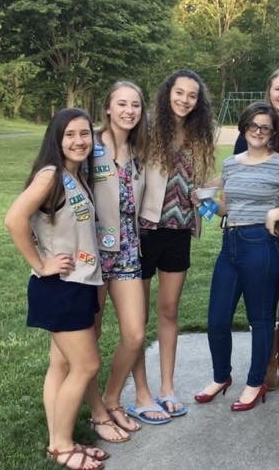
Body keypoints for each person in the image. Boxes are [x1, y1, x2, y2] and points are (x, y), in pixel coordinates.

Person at [195, 102, 279, 411]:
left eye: (265, 127)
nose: (258, 132)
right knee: (217, 319)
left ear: (273, 132)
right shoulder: (231, 164)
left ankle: (255, 381)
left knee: (261, 319)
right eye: (253, 125)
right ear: (243, 127)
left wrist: (275, 212)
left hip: (260, 244)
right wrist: (206, 203)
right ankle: (221, 376)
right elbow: (228, 207)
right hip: (230, 242)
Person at [5, 108, 106, 469]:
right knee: (87, 364)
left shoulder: (73, 176)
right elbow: (14, 219)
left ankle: (56, 440)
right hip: (61, 286)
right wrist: (41, 263)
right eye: (70, 135)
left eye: (85, 134)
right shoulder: (51, 175)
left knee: (61, 365)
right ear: (57, 139)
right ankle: (63, 446)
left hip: (76, 283)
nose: (79, 141)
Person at [129, 69, 216, 423]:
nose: (184, 100)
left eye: (192, 95)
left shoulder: (200, 135)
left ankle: (167, 388)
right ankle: (141, 392)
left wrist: (207, 195)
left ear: (199, 101)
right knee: (138, 318)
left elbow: (203, 179)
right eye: (179, 93)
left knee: (169, 311)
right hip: (145, 231)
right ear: (167, 94)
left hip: (179, 232)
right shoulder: (147, 129)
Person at [232, 68, 279, 389]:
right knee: (263, 295)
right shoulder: (252, 129)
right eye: (278, 89)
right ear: (268, 91)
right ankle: (267, 360)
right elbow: (236, 178)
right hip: (260, 227)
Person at [84, 81, 149, 441]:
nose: (128, 110)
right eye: (121, 104)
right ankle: (97, 413)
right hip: (90, 257)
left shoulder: (140, 150)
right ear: (107, 108)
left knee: (135, 334)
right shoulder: (88, 145)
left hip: (126, 253)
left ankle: (111, 398)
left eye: (135, 105)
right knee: (89, 338)